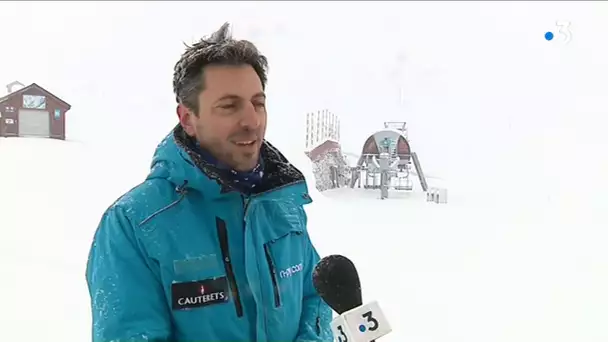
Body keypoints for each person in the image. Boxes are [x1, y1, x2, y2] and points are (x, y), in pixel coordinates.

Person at [85, 22, 333, 342]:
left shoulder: (281, 205)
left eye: (258, 103)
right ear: (188, 118)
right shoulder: (134, 224)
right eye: (229, 106)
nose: (252, 121)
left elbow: (312, 298)